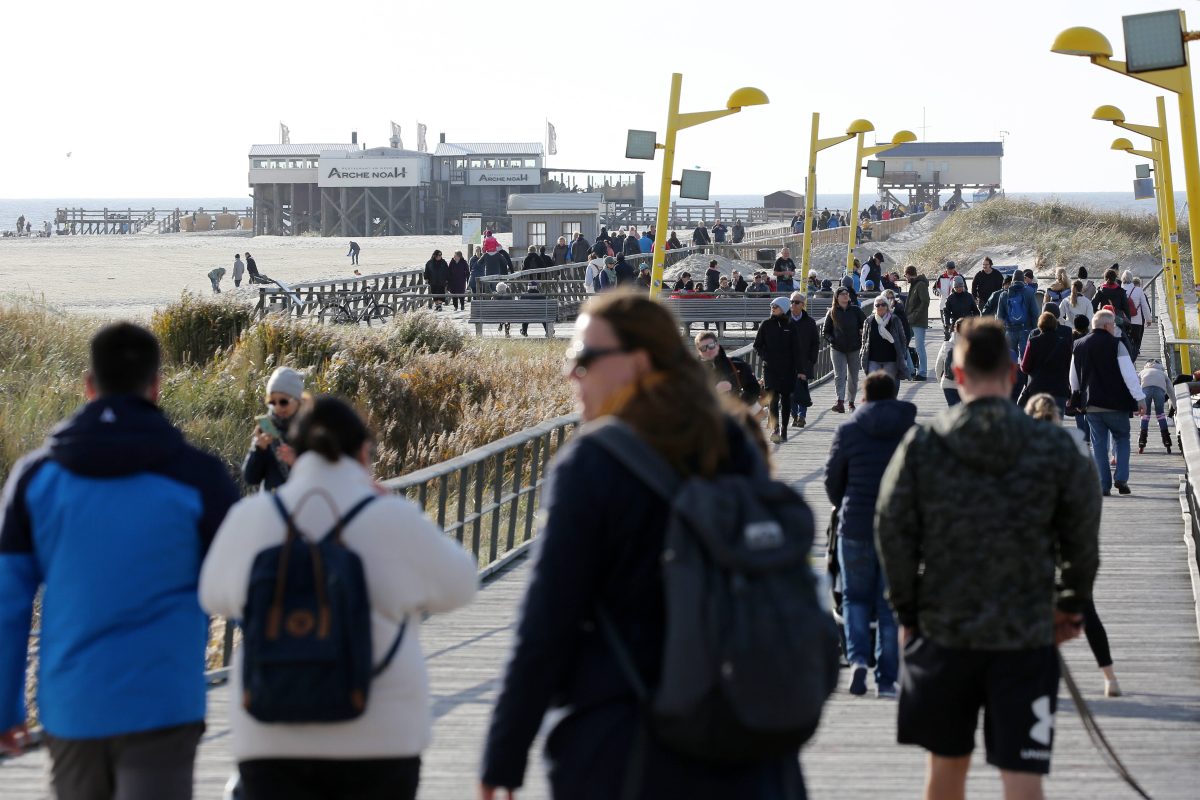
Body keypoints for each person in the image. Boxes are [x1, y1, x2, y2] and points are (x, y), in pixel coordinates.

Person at [480, 291, 805, 800]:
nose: (572, 373)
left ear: (638, 363)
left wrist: (503, 757)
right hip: (743, 735)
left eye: (584, 358)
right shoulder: (727, 438)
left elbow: (547, 621)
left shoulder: (593, 463)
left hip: (626, 742)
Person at [0, 322, 239, 798]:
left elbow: (7, 605)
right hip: (165, 699)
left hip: (73, 703)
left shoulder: (36, 478)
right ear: (156, 386)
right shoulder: (201, 476)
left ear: (89, 386)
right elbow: (240, 584)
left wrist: (5, 710)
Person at [200, 396, 477, 800]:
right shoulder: (389, 517)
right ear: (364, 451)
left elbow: (212, 596)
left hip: (270, 735)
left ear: (291, 453)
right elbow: (461, 584)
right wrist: (398, 511)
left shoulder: (253, 517)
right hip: (380, 736)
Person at [877, 317, 1100, 800]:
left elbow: (891, 527)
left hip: (942, 627)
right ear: (1012, 373)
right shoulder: (1052, 446)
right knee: (1022, 775)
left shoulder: (925, 444)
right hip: (1026, 631)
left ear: (957, 376)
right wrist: (1070, 602)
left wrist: (906, 609)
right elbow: (1082, 532)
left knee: (944, 768)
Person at [1023, 394, 1123, 698]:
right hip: (1071, 540)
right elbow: (1090, 498)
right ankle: (1109, 677)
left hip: (1035, 542)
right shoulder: (1077, 450)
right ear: (1058, 418)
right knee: (1086, 609)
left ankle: (1038, 678)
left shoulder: (1021, 451)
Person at [824, 371, 915, 698]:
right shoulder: (912, 432)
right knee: (889, 604)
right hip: (898, 529)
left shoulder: (848, 430)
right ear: (894, 394)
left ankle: (858, 660)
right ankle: (887, 678)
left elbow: (833, 479)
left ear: (864, 395)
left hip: (856, 524)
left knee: (854, 597)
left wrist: (843, 503)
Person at [1069, 309, 1147, 495]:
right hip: (1117, 404)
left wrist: (1077, 395)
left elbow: (1073, 377)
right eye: (1113, 325)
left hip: (1092, 405)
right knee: (1122, 438)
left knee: (1098, 445)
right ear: (1106, 325)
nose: (1115, 328)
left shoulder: (1078, 345)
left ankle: (1104, 486)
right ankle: (1121, 478)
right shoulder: (1117, 345)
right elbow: (1129, 375)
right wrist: (1140, 399)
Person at [243, 367, 305, 491]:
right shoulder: (267, 429)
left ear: (297, 400)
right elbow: (250, 478)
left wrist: (296, 462)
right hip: (272, 505)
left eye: (283, 402)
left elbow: (322, 477)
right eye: (272, 402)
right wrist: (259, 449)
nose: (277, 407)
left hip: (303, 505)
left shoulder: (310, 430)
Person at [754, 297, 803, 443]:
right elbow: (757, 345)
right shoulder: (766, 324)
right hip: (770, 368)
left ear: (784, 308)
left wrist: (800, 370)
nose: (773, 308)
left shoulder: (791, 326)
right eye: (772, 306)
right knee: (773, 398)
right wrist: (765, 356)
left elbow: (797, 349)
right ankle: (775, 429)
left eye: (776, 306)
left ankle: (784, 429)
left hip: (788, 369)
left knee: (786, 399)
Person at [1019, 309, 1073, 412]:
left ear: (1040, 325)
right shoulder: (1064, 343)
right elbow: (1069, 366)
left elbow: (1025, 367)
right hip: (1059, 389)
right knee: (1056, 423)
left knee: (1037, 423)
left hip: (1037, 389)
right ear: (1055, 324)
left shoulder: (1033, 342)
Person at [695, 330, 761, 412]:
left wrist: (739, 403)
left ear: (717, 345)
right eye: (703, 348)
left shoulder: (736, 365)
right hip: (708, 419)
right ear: (699, 351)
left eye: (711, 345)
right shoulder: (693, 372)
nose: (708, 350)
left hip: (735, 417)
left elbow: (754, 389)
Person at [825, 286, 867, 413]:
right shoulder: (831, 312)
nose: (845, 295)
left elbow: (865, 325)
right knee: (839, 375)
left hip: (854, 348)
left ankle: (851, 402)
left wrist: (862, 331)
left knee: (853, 377)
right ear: (836, 297)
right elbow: (825, 332)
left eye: (847, 293)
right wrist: (832, 340)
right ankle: (840, 402)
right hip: (837, 349)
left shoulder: (856, 310)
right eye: (842, 294)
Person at [788, 292, 820, 429]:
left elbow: (815, 343)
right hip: (787, 362)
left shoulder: (810, 322)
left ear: (803, 305)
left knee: (802, 389)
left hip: (804, 362)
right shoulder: (784, 320)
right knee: (789, 391)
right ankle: (794, 415)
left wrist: (811, 360)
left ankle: (802, 416)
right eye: (791, 302)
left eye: (796, 302)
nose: (793, 305)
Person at [860, 295, 909, 382]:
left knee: (888, 388)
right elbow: (864, 340)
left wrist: (902, 353)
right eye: (877, 305)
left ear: (887, 306)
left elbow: (902, 339)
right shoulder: (869, 321)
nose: (880, 307)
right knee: (874, 387)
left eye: (883, 304)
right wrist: (862, 354)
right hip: (873, 359)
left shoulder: (894, 320)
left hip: (891, 359)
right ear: (875, 307)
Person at [996, 269, 1040, 360]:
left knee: (1011, 360)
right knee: (1026, 359)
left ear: (1012, 280)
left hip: (1009, 330)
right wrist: (1034, 329)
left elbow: (999, 316)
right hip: (1025, 330)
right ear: (1023, 280)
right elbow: (1035, 313)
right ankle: (1023, 374)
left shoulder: (1004, 295)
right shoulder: (1029, 293)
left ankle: (1013, 374)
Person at [1138, 358, 1173, 454]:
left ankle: (1142, 440)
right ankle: (1167, 441)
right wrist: (1175, 405)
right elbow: (1170, 390)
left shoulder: (1143, 372)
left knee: (1145, 415)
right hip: (1159, 391)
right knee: (1160, 415)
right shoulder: (1163, 374)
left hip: (1145, 390)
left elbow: (1135, 385)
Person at [904, 266, 931, 380]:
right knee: (904, 344)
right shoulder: (915, 285)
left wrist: (914, 315)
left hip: (918, 321)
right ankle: (910, 370)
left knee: (920, 347)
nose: (905, 278)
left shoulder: (920, 285)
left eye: (905, 276)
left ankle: (922, 373)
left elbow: (925, 302)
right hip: (910, 320)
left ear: (909, 274)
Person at [1122, 271, 1153, 361]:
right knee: (1136, 341)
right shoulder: (1139, 290)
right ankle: (1133, 359)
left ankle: (1126, 358)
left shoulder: (1120, 289)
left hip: (1123, 320)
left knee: (1125, 340)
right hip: (1137, 321)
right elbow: (1144, 306)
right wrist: (1148, 319)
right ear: (1131, 279)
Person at [940, 275, 979, 341]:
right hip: (955, 323)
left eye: (960, 286)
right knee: (955, 344)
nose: (959, 288)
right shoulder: (951, 298)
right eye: (956, 287)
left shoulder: (969, 296)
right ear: (954, 287)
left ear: (963, 286)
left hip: (968, 323)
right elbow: (947, 312)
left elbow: (975, 310)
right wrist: (947, 323)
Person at [935, 318, 964, 406]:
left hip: (948, 384)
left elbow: (938, 366)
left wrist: (941, 381)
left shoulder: (946, 345)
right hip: (965, 385)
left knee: (953, 412)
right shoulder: (971, 344)